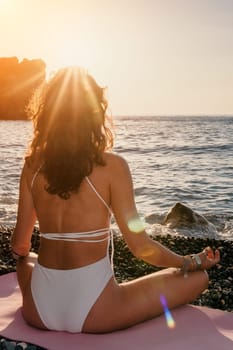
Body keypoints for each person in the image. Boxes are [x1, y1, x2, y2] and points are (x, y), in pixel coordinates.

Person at [11, 67, 220, 334]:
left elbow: (20, 245)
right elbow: (140, 246)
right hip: (97, 312)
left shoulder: (32, 167)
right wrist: (189, 261)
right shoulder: (113, 166)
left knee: (26, 260)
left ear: (48, 114)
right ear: (94, 112)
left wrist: (23, 255)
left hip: (38, 310)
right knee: (198, 279)